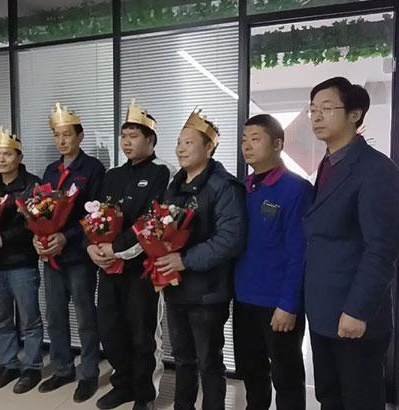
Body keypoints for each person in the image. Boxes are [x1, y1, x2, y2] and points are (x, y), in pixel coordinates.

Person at [304, 77, 399, 410]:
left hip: (354, 316)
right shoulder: (329, 164)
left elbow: (381, 249)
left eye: (327, 108)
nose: (317, 116)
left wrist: (357, 311)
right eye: (313, 110)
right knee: (329, 398)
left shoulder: (377, 170)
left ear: (355, 114)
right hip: (323, 311)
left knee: (360, 401)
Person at [156, 109, 247, 410]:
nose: (180, 148)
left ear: (209, 148)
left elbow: (230, 239)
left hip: (208, 293)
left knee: (209, 362)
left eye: (189, 142)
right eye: (179, 142)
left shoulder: (224, 186)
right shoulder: (175, 184)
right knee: (181, 359)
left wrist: (184, 259)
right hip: (176, 288)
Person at [89, 99, 171, 410]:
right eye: (123, 136)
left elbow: (153, 222)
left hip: (142, 270)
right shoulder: (112, 175)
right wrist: (93, 246)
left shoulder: (162, 172)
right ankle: (122, 385)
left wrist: (116, 248)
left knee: (142, 334)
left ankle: (145, 395)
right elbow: (97, 216)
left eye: (134, 136)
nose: (127, 141)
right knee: (110, 330)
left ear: (150, 140)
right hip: (109, 268)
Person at [233, 114, 312, 410]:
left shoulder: (296, 189)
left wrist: (289, 305)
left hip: (278, 303)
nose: (247, 146)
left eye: (255, 139)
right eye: (244, 140)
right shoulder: (241, 188)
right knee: (252, 371)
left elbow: (299, 252)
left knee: (286, 375)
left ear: (278, 144)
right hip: (244, 298)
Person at [34, 104, 105, 402]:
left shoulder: (93, 169)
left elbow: (96, 214)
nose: (62, 141)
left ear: (80, 136)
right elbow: (41, 210)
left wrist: (67, 236)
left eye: (67, 135)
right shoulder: (51, 170)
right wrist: (39, 237)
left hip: (79, 256)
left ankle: (88, 373)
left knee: (86, 316)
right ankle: (62, 368)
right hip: (52, 256)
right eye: (57, 135)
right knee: (55, 315)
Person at [0, 127, 44, 394]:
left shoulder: (33, 185)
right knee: (1, 320)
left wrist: (2, 239)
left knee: (29, 320)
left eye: (7, 154)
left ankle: (33, 367)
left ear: (19, 157)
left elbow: (35, 225)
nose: (2, 159)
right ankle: (8, 364)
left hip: (22, 263)